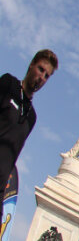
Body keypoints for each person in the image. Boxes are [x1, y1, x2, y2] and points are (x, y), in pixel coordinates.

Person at [0, 49, 57, 194]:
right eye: (41, 69)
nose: (42, 77)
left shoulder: (32, 117)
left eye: (46, 76)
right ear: (32, 65)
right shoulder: (8, 84)